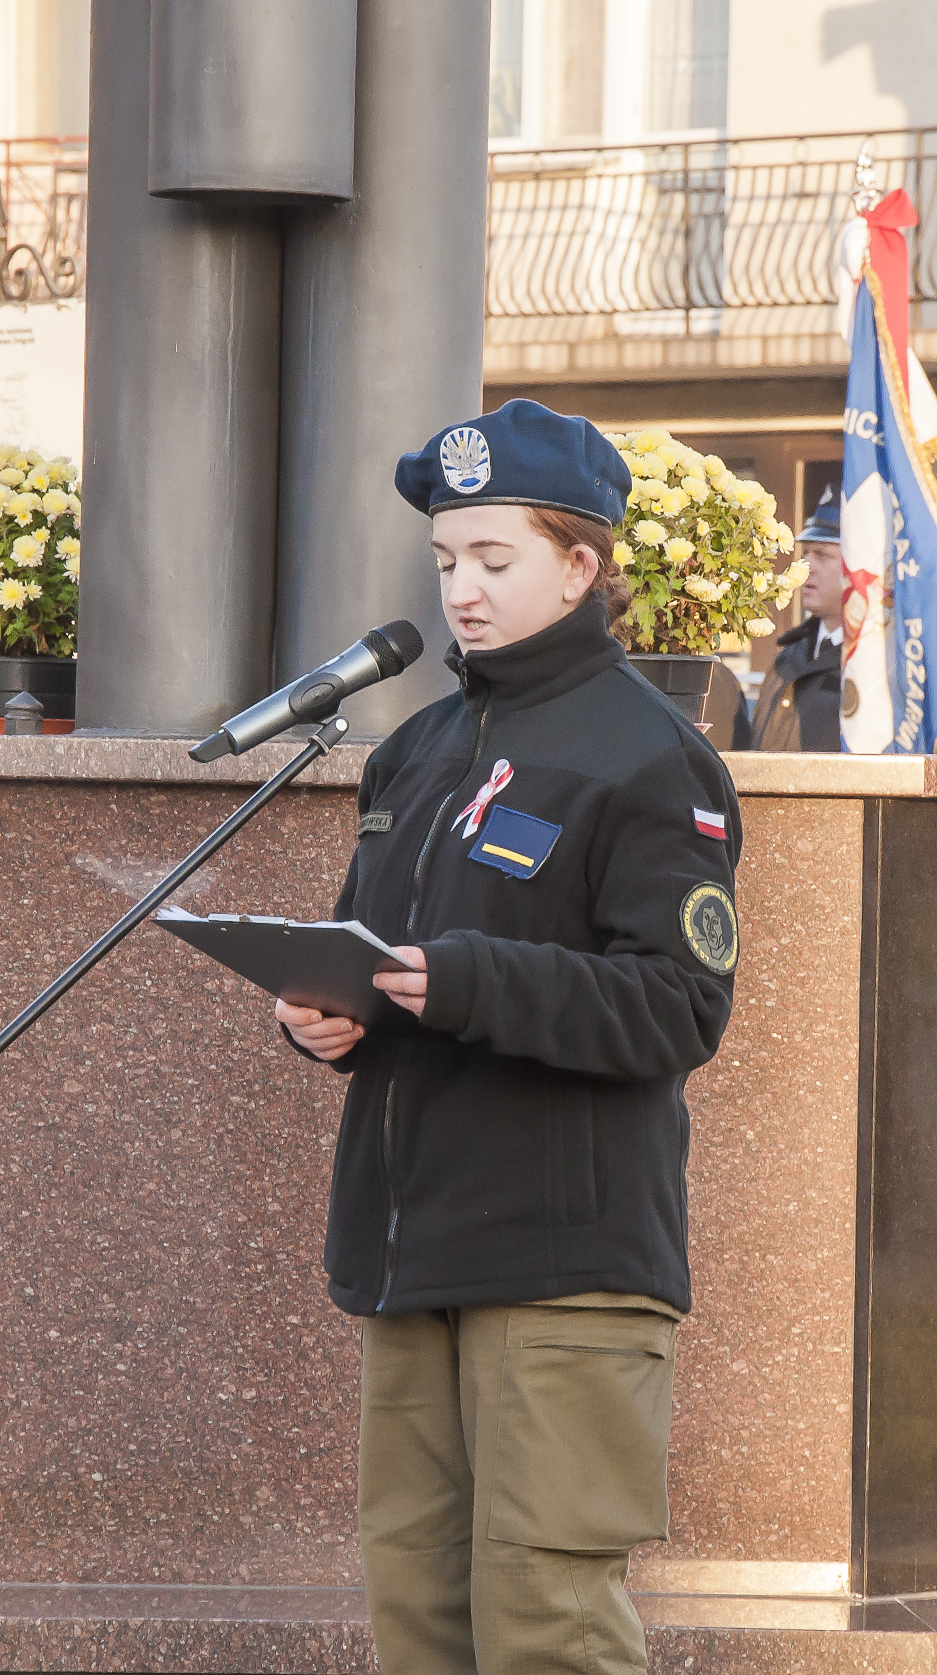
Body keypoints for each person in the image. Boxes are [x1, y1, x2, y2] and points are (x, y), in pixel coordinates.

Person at [276, 399, 741, 1675]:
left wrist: (468, 981)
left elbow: (677, 1004)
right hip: (407, 1248)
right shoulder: (416, 751)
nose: (460, 591)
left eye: (493, 558)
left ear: (580, 566)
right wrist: (327, 1013)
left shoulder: (649, 755)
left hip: (560, 1268)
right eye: (445, 560)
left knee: (547, 1629)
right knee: (419, 1621)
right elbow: (377, 956)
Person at [750, 482, 843, 751]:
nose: (806, 566)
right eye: (805, 554)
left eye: (822, 555)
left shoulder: (876, 663)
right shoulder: (789, 655)